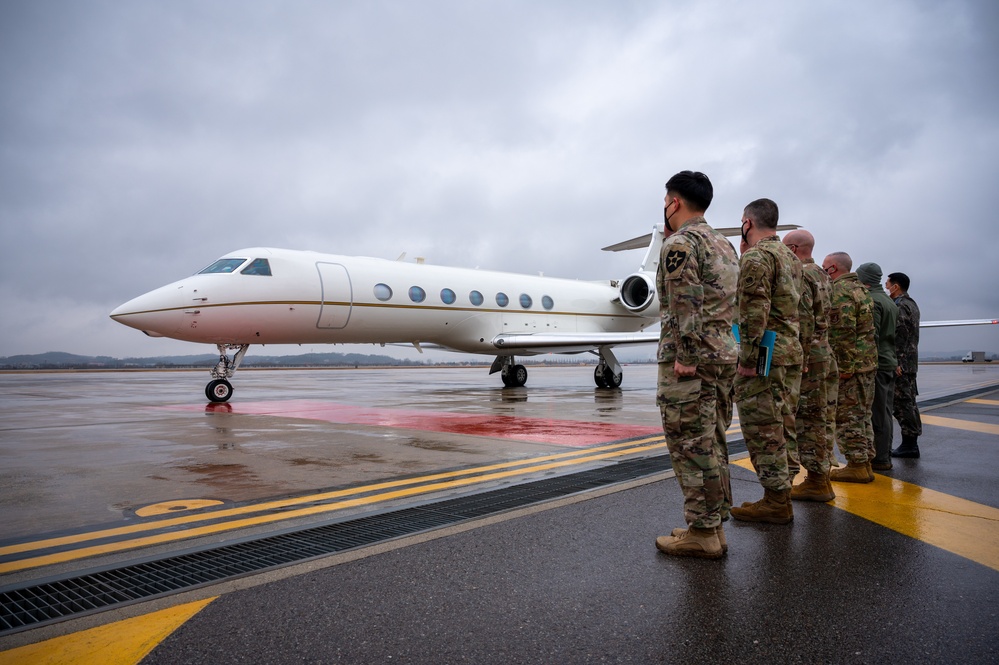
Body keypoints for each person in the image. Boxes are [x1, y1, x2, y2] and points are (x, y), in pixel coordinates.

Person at [654, 170, 739, 559]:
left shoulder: (682, 243)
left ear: (674, 202)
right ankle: (713, 524)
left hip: (694, 361)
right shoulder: (723, 243)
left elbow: (684, 302)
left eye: (665, 201)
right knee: (713, 443)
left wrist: (685, 358)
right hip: (722, 357)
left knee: (690, 445)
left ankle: (702, 532)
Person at [730, 198, 802, 524]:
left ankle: (776, 501)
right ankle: (780, 493)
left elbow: (752, 314)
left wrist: (748, 358)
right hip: (788, 353)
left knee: (763, 428)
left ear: (747, 223)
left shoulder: (757, 258)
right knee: (782, 422)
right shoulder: (789, 256)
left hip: (765, 358)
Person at [783, 230, 838, 501]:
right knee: (822, 417)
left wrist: (801, 359)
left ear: (793, 249)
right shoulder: (823, 274)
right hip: (824, 352)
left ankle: (816, 480)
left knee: (808, 419)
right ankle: (821, 478)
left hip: (810, 359)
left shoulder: (802, 275)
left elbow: (803, 320)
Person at [822, 252, 877, 483]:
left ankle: (856, 464)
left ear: (833, 268)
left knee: (847, 417)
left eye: (825, 268)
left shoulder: (840, 291)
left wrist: (843, 368)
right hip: (866, 363)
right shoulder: (862, 290)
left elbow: (843, 333)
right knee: (862, 415)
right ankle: (864, 463)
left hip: (851, 366)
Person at [857, 263, 898, 470]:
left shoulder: (872, 301)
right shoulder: (890, 302)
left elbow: (870, 336)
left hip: (877, 364)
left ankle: (880, 458)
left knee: (877, 414)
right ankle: (884, 453)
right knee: (886, 411)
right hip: (888, 362)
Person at [888, 272, 922, 458]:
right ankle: (910, 443)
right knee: (909, 403)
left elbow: (899, 335)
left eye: (888, 284)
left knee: (903, 404)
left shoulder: (901, 307)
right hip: (909, 362)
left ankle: (910, 444)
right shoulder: (912, 304)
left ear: (896, 286)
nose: (886, 287)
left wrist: (896, 362)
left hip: (902, 364)